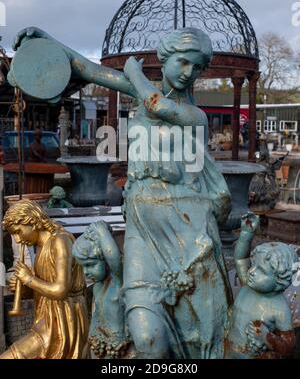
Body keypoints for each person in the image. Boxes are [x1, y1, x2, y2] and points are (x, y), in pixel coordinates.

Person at [12, 26, 232, 359]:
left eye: (198, 68)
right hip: (144, 228)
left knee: (198, 338)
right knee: (147, 340)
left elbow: (157, 105)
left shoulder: (194, 115)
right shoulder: (143, 92)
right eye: (184, 62)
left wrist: (132, 71)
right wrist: (45, 40)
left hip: (190, 232)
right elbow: (85, 68)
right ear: (166, 59)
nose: (189, 74)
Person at [0, 200, 89, 359]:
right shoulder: (41, 246)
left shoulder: (60, 241)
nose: (18, 239)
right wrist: (25, 288)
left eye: (18, 232)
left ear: (31, 222)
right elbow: (44, 288)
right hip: (47, 320)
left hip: (64, 322)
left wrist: (29, 279)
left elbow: (60, 290)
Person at [227, 212, 297, 359]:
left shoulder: (280, 309)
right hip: (229, 349)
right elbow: (241, 258)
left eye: (261, 271)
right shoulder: (248, 284)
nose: (252, 271)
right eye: (254, 265)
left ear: (280, 279)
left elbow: (288, 346)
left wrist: (267, 337)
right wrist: (246, 233)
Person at [73, 221, 129, 359]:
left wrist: (101, 231)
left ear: (105, 259)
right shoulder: (98, 286)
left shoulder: (117, 283)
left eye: (90, 265)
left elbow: (115, 259)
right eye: (83, 267)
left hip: (117, 348)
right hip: (99, 346)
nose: (86, 272)